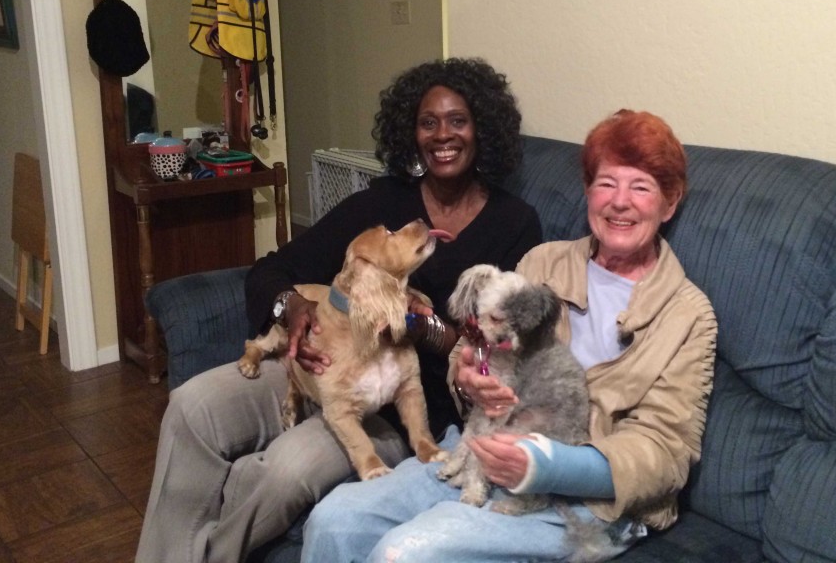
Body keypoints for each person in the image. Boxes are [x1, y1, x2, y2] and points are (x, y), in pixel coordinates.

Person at [135, 57, 542, 563]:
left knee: (286, 468)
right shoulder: (383, 202)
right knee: (192, 407)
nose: (443, 135)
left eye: (458, 120)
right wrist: (293, 309)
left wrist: (417, 323)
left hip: (402, 411)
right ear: (411, 133)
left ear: (482, 127)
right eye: (428, 122)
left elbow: (502, 349)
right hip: (318, 364)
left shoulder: (515, 223)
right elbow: (273, 268)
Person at [301, 109, 718, 563]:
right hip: (480, 448)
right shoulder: (543, 262)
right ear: (588, 192)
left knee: (405, 553)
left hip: (590, 501)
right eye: (606, 183)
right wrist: (469, 376)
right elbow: (471, 348)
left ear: (670, 202)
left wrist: (546, 465)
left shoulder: (688, 315)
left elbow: (666, 452)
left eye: (640, 187)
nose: (620, 201)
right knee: (334, 518)